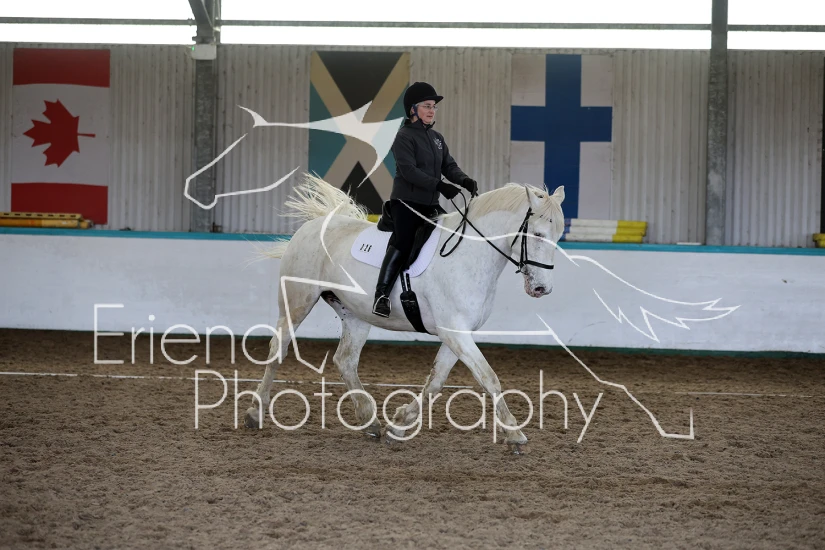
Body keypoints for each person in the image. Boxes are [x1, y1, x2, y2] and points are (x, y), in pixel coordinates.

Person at [372, 81, 478, 318]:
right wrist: (439, 185)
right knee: (404, 241)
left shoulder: (437, 138)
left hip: (430, 205)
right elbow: (409, 171)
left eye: (434, 107)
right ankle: (381, 295)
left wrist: (464, 180)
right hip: (406, 203)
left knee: (451, 237)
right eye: (427, 106)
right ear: (413, 109)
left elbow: (449, 166)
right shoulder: (403, 136)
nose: (432, 111)